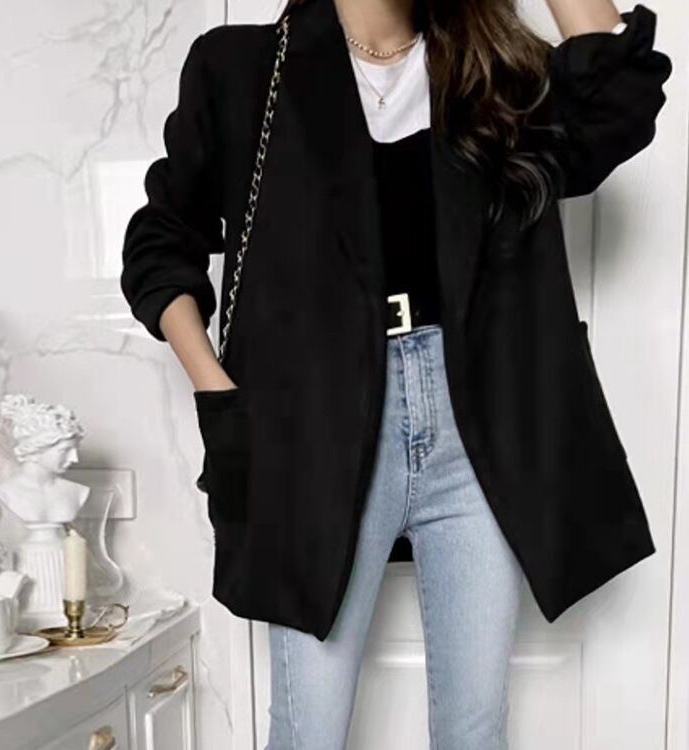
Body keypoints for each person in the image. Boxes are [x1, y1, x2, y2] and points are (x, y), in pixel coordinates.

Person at [120, 0, 672, 746]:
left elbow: (620, 98)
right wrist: (214, 383)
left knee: (475, 729)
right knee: (309, 730)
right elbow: (162, 238)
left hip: (477, 426)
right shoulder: (243, 67)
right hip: (313, 426)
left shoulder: (496, 73)